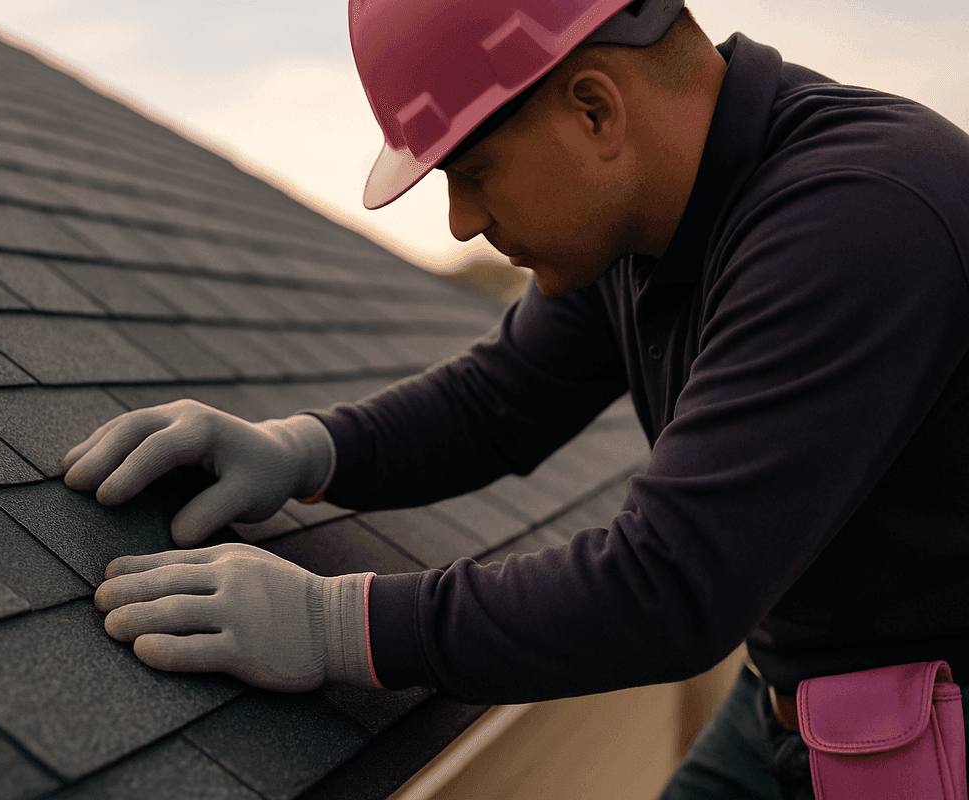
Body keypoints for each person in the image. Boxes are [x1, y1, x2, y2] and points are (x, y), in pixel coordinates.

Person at [61, 1, 969, 797]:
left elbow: (666, 590)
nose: (459, 220)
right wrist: (305, 451)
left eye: (475, 170)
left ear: (593, 110)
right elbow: (502, 398)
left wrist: (332, 625)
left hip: (927, 729)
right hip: (791, 695)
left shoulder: (858, 219)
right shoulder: (652, 215)